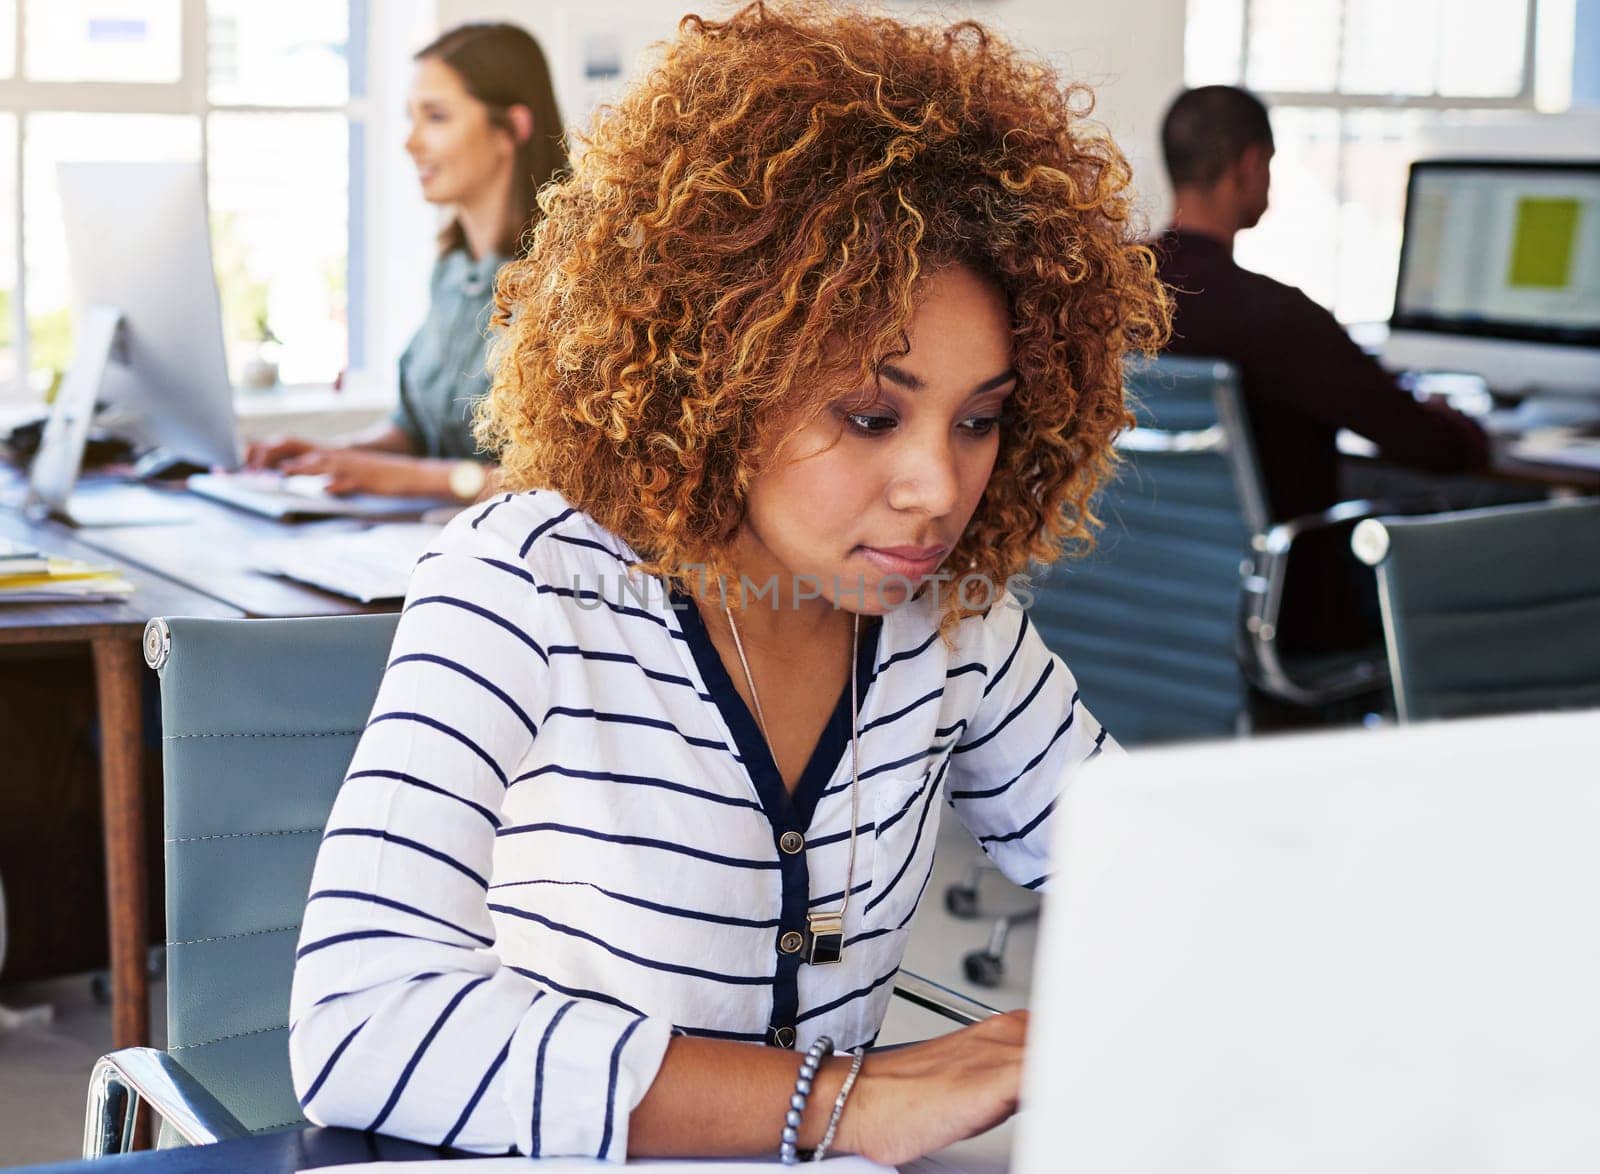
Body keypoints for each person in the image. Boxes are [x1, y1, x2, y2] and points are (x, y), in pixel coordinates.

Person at [288, 3, 1168, 1165]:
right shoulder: (524, 580)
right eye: (869, 414)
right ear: (717, 366)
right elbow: (358, 1027)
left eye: (980, 420)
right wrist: (839, 1098)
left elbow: (1170, 878)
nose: (935, 489)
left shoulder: (954, 629)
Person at [1152, 84, 1490, 654]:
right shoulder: (1274, 317)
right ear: (1250, 164)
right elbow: (1433, 447)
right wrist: (1466, 430)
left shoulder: (1103, 295)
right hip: (1284, 613)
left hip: (1151, 600)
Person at [244, 22, 567, 501]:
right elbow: (416, 431)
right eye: (411, 118)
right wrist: (332, 456)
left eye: (436, 117)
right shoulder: (454, 272)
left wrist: (402, 477)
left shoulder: (574, 281)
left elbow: (565, 483)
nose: (411, 142)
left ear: (512, 128)